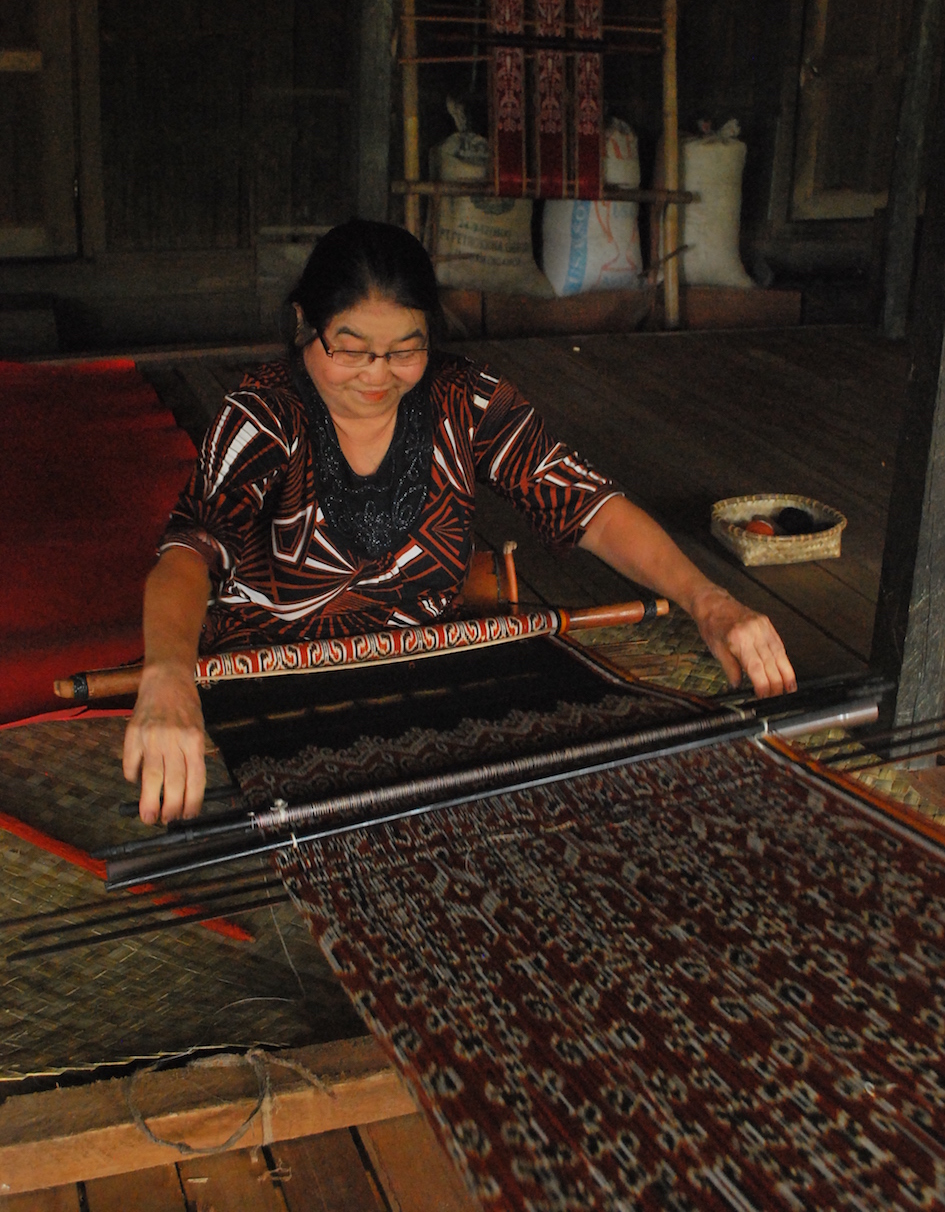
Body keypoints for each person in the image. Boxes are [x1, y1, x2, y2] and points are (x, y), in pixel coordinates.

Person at [124, 219, 795, 824]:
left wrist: (707, 600)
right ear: (306, 324)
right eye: (351, 348)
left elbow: (583, 503)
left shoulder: (464, 401)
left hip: (427, 679)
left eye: (405, 350)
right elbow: (189, 552)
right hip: (271, 691)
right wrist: (166, 676)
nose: (377, 375)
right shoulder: (262, 415)